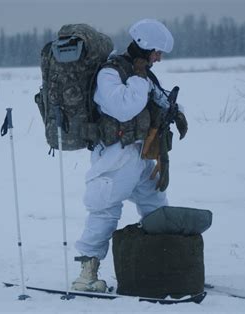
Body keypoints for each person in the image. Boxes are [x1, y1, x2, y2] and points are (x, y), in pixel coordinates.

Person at [72, 19, 188, 292]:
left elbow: (159, 97)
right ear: (144, 47)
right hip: (116, 156)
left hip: (141, 155)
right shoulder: (110, 73)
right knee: (104, 211)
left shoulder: (142, 73)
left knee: (156, 207)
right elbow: (125, 108)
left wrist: (177, 111)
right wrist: (138, 77)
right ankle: (86, 276)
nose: (158, 58)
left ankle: (162, 266)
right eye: (156, 52)